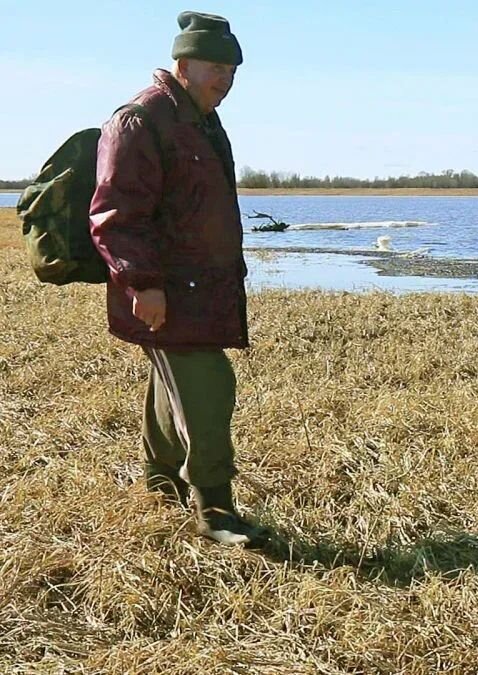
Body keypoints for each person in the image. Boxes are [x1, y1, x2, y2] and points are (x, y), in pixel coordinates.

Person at [90, 11, 262, 546]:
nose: (225, 80)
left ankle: (160, 485)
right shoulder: (141, 120)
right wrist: (142, 283)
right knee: (210, 387)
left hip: (200, 290)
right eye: (216, 67)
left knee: (173, 389)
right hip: (165, 289)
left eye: (232, 70)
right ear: (183, 64)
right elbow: (117, 212)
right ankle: (215, 511)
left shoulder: (201, 120)